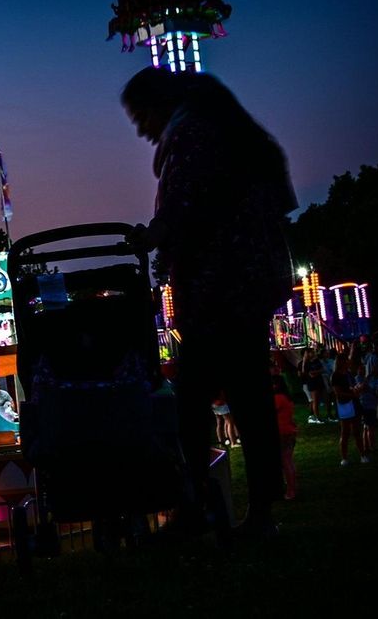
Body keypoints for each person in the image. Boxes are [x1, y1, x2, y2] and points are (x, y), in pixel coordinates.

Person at [123, 66, 296, 539]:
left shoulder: (192, 133)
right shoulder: (221, 128)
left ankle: (197, 503)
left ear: (160, 104)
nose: (140, 129)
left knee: (194, 400)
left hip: (221, 287)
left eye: (140, 115)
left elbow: (183, 206)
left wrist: (148, 237)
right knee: (249, 396)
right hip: (245, 281)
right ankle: (255, 510)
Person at [273, 376, 298, 501]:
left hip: (282, 432)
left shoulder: (278, 398)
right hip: (289, 431)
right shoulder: (287, 397)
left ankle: (291, 491)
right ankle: (293, 487)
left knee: (286, 462)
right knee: (289, 461)